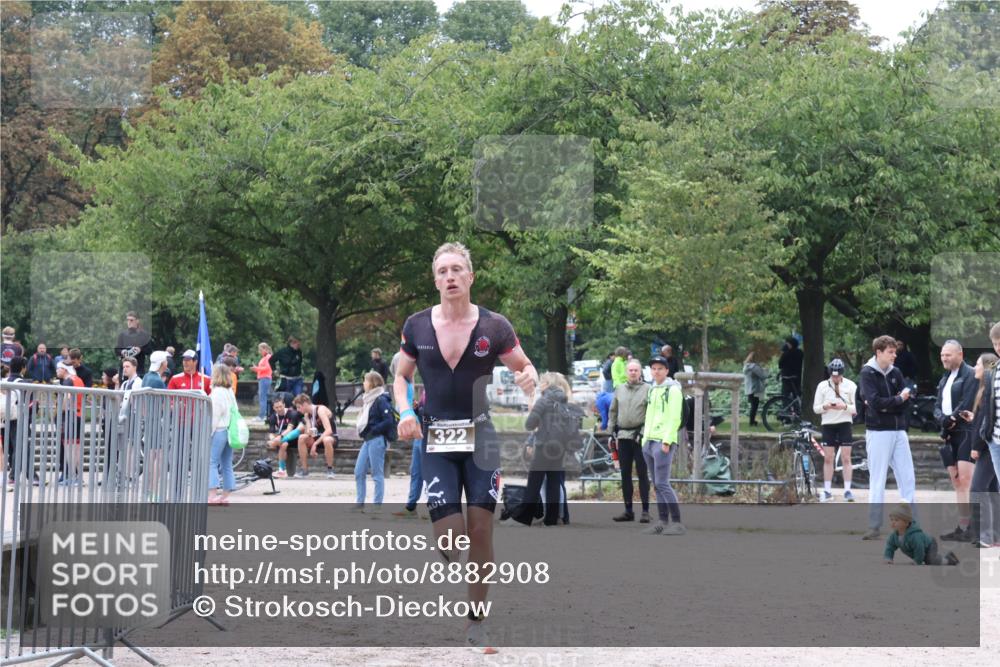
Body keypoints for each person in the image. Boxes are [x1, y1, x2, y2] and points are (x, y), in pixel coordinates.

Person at [393, 241, 537, 654]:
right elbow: (400, 376)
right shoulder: (417, 325)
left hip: (481, 436)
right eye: (442, 271)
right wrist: (405, 410)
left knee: (480, 530)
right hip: (436, 437)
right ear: (435, 279)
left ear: (470, 277)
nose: (450, 277)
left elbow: (525, 367)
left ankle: (477, 622)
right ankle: (446, 540)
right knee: (451, 542)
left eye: (457, 269)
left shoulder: (494, 326)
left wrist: (530, 382)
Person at [859, 336, 916, 541]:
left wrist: (893, 403)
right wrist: (898, 399)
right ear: (879, 352)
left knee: (907, 477)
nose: (894, 355)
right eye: (891, 352)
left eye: (895, 352)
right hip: (878, 431)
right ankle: (874, 525)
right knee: (878, 478)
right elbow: (874, 402)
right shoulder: (867, 373)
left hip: (899, 430)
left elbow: (905, 402)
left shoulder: (896, 372)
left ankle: (911, 524)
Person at [510, 372, 581, 527]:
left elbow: (530, 424)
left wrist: (537, 419)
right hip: (560, 447)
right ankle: (551, 519)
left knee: (534, 482)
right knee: (554, 483)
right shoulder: (565, 401)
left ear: (547, 384)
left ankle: (523, 518)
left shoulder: (544, 400)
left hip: (544, 446)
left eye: (541, 382)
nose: (539, 384)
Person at [932, 340, 978, 542]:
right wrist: (943, 419)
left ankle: (973, 527)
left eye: (948, 355)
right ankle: (962, 526)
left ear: (960, 354)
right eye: (942, 355)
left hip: (965, 431)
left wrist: (953, 419)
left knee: (967, 481)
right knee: (957, 482)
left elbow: (968, 401)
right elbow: (936, 405)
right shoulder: (944, 378)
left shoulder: (969, 374)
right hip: (949, 434)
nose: (944, 358)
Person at [640, 355, 685, 535]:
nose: (656, 371)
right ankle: (662, 521)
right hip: (649, 441)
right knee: (656, 484)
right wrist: (644, 439)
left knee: (662, 483)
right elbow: (649, 415)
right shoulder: (653, 389)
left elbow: (675, 417)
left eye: (660, 368)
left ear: (667, 371)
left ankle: (677, 522)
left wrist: (667, 440)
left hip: (662, 442)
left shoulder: (673, 390)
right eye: (653, 368)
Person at [961, 352, 1000, 549]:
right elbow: (982, 420)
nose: (974, 368)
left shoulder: (988, 391)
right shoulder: (984, 389)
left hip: (986, 447)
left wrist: (976, 447)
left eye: (977, 365)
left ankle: (982, 535)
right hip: (988, 444)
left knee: (977, 489)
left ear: (986, 368)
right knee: (993, 490)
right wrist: (972, 418)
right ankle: (994, 536)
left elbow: (987, 422)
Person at [609, 358, 651, 523]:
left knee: (642, 474)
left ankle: (646, 511)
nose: (633, 372)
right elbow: (613, 410)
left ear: (640, 372)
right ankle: (628, 510)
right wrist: (611, 430)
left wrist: (643, 431)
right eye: (630, 370)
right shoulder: (619, 389)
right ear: (626, 372)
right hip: (623, 437)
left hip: (640, 437)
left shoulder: (648, 389)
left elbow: (651, 413)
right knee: (625, 474)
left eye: (636, 370)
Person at [813, 358, 858, 502]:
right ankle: (827, 490)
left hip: (844, 423)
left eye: (838, 376)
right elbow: (816, 408)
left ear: (842, 374)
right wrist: (826, 406)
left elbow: (856, 408)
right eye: (833, 376)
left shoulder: (851, 385)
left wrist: (844, 407)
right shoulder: (822, 386)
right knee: (828, 458)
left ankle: (848, 490)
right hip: (828, 424)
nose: (835, 378)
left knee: (846, 457)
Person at [353, 371, 395, 510]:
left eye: (365, 380)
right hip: (367, 440)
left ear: (372, 383)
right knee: (359, 471)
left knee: (377, 474)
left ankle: (377, 506)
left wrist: (374, 430)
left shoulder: (381, 399)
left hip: (376, 439)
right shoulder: (368, 399)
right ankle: (360, 502)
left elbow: (389, 421)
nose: (364, 383)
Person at [884, 503, 959, 566]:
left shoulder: (914, 536)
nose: (893, 522)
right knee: (927, 558)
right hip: (922, 548)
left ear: (906, 523)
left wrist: (917, 561)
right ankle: (947, 556)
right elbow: (890, 546)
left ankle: (949, 560)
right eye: (891, 520)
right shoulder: (894, 536)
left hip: (929, 544)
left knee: (931, 561)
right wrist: (888, 558)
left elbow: (919, 548)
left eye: (897, 520)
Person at [392, 384, 427, 519]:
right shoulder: (426, 390)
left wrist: (420, 409)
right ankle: (411, 507)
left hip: (431, 436)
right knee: (415, 472)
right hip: (420, 436)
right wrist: (417, 408)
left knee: (430, 472)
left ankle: (433, 507)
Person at [208, 364, 237, 506]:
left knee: (211, 462)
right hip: (229, 430)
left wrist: (209, 433)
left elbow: (214, 415)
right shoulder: (229, 391)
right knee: (227, 463)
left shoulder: (216, 392)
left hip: (218, 430)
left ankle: (212, 495)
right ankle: (225, 495)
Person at [291, 393, 337, 479]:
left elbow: (328, 430)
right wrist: (307, 421)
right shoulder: (307, 414)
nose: (298, 410)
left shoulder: (320, 409)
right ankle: (304, 470)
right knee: (302, 438)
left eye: (298, 407)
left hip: (331, 438)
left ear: (305, 404)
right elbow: (310, 433)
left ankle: (330, 470)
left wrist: (315, 444)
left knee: (326, 439)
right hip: (317, 438)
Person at [56, 361, 85, 484]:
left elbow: (67, 398)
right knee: (76, 448)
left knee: (69, 448)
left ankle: (72, 476)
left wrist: (59, 411)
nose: (56, 371)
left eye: (58, 369)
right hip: (78, 415)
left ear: (64, 369)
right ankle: (77, 477)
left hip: (70, 416)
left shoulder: (68, 381)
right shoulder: (78, 379)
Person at [267, 397, 302, 479]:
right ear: (273, 408)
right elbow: (271, 433)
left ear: (284, 405)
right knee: (284, 444)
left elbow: (289, 430)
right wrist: (273, 439)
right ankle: (282, 471)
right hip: (282, 440)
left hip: (294, 438)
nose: (279, 409)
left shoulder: (292, 413)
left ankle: (281, 470)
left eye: (280, 406)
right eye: (276, 407)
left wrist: (277, 439)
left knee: (282, 443)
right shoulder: (273, 417)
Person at [115, 311, 154, 376]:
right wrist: (122, 352)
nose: (129, 322)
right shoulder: (122, 334)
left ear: (137, 321)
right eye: (128, 320)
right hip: (124, 369)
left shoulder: (144, 335)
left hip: (138, 369)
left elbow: (149, 350)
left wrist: (140, 349)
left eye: (131, 320)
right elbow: (116, 350)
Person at [743, 351, 768, 427]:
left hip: (749, 388)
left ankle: (752, 421)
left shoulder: (746, 366)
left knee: (753, 405)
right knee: (755, 406)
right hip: (755, 389)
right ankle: (752, 422)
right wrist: (766, 371)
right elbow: (763, 376)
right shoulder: (754, 367)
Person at [252, 343, 273, 420]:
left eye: (261, 350)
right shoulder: (265, 358)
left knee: (262, 397)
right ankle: (266, 415)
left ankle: (262, 416)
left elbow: (267, 368)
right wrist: (256, 369)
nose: (259, 351)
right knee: (265, 397)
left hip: (265, 379)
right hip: (264, 378)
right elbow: (264, 369)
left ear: (265, 349)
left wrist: (257, 368)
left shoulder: (268, 357)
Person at [778, 336, 803, 400]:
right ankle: (797, 408)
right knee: (797, 395)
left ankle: (786, 408)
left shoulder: (786, 353)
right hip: (797, 376)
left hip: (787, 377)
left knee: (785, 395)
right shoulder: (800, 352)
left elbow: (780, 364)